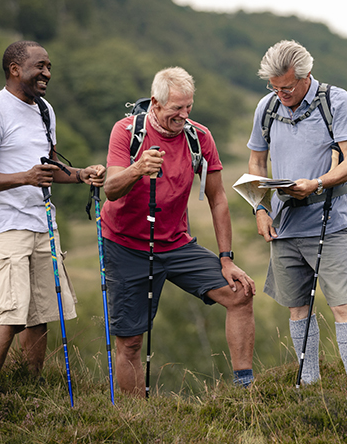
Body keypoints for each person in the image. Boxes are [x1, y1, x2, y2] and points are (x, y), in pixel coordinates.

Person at [0, 40, 106, 416]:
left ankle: (33, 383)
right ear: (15, 69)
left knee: (42, 309)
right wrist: (25, 177)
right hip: (5, 223)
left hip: (42, 221)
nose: (47, 73)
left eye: (49, 66)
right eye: (39, 66)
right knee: (12, 308)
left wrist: (81, 175)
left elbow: (47, 171)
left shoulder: (45, 111)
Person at [102, 67, 256, 395]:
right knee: (130, 342)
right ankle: (132, 418)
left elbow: (217, 198)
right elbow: (111, 189)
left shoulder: (199, 137)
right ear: (155, 104)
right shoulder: (127, 131)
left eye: (189, 107)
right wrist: (138, 168)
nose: (184, 115)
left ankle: (246, 390)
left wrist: (226, 258)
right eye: (176, 108)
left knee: (240, 293)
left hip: (175, 243)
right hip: (126, 244)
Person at [247, 40, 347, 390]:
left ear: (305, 77)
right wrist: (259, 207)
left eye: (286, 86)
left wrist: (316, 183)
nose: (280, 93)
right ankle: (309, 384)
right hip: (284, 225)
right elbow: (256, 162)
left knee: (342, 306)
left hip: (330, 223)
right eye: (273, 86)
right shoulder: (267, 107)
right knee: (297, 308)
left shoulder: (337, 101)